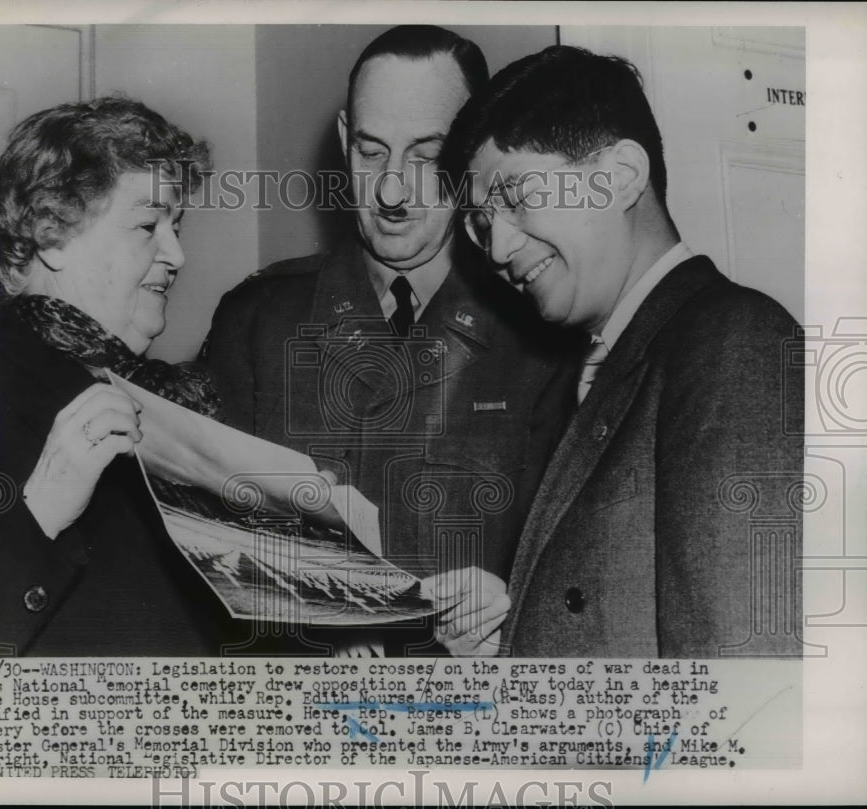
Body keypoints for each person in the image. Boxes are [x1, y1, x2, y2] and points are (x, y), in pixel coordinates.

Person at [203, 26, 577, 655]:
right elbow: (208, 557)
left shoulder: (542, 334)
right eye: (371, 153)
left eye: (426, 157)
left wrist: (509, 616)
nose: (392, 193)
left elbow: (576, 578)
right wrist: (311, 621)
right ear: (346, 139)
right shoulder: (258, 319)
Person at [443, 45, 804, 657]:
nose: (498, 247)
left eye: (515, 198)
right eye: (482, 225)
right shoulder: (596, 373)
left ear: (619, 176)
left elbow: (740, 691)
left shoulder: (734, 342)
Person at [0, 97, 231, 657]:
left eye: (178, 225)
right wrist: (42, 511)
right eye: (148, 223)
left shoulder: (168, 401)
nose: (177, 254)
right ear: (51, 235)